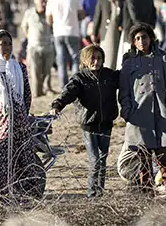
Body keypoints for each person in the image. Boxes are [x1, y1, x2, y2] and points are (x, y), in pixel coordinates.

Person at [0, 30, 45, 203]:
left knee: (23, 162)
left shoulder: (19, 68)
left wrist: (20, 117)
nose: (6, 47)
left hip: (19, 128)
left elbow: (26, 97)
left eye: (9, 43)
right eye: (2, 43)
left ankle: (23, 200)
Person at [119, 23, 166, 193]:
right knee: (143, 160)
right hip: (139, 117)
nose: (142, 41)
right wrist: (127, 112)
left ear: (151, 38)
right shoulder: (128, 64)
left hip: (162, 115)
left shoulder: (162, 59)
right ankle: (146, 196)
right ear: (133, 42)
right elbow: (124, 92)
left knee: (165, 158)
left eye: (145, 37)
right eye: (137, 39)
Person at [50, 45, 119, 198]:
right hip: (89, 125)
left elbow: (126, 78)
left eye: (99, 58)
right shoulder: (80, 78)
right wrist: (58, 105)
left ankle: (100, 191)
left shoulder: (110, 75)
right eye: (92, 58)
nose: (96, 61)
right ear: (85, 60)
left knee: (103, 159)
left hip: (106, 123)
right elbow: (69, 92)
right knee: (95, 159)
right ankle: (91, 194)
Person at [46, 0, 84, 89]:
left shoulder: (51, 1)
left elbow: (49, 20)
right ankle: (75, 85)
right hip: (72, 32)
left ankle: (64, 87)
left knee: (61, 61)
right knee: (75, 59)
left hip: (58, 33)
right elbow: (82, 15)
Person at [118, 0, 156, 69]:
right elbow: (154, 12)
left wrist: (139, 30)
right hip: (148, 31)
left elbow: (134, 17)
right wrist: (150, 28)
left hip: (133, 33)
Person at [21, 0, 54, 97]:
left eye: (44, 2)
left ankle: (47, 88)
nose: (44, 4)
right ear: (36, 3)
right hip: (34, 46)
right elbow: (24, 26)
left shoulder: (49, 13)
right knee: (35, 70)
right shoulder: (29, 13)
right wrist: (29, 36)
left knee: (47, 70)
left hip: (48, 45)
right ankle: (36, 91)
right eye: (42, 3)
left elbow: (53, 26)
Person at [91, 0, 126, 70]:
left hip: (120, 33)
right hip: (107, 34)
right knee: (107, 56)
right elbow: (97, 17)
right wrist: (94, 33)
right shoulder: (102, 0)